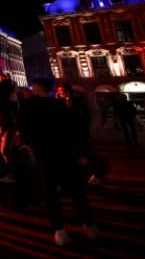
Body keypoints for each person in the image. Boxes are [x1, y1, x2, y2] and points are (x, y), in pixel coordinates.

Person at [19, 77, 97, 246]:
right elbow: (75, 130)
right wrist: (80, 152)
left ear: (37, 88)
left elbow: (24, 132)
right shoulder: (59, 105)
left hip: (44, 154)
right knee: (76, 191)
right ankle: (89, 225)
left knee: (51, 193)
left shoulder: (28, 106)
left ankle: (59, 230)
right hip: (65, 153)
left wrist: (31, 149)